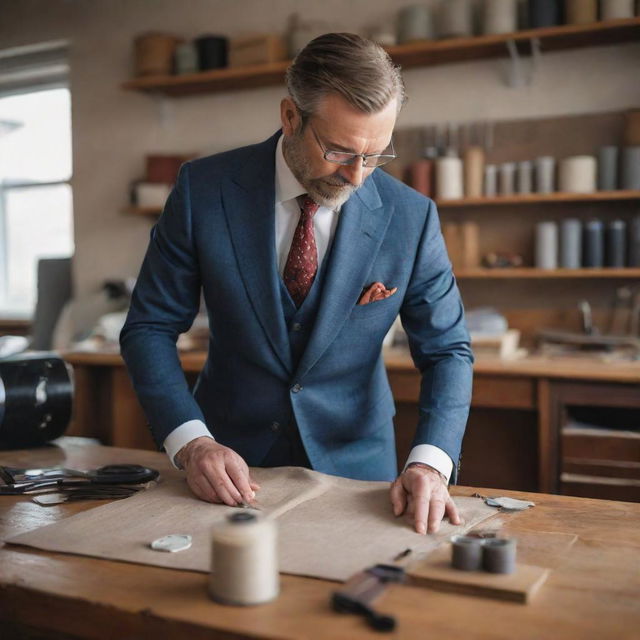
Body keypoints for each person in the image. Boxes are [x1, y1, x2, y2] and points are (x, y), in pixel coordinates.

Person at [120, 33, 473, 535]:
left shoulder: (411, 217)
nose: (356, 176)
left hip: (359, 470)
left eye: (375, 156)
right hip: (225, 462)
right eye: (339, 150)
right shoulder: (204, 191)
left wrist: (431, 463)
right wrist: (191, 441)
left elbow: (448, 351)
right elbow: (149, 327)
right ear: (290, 116)